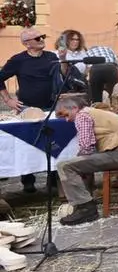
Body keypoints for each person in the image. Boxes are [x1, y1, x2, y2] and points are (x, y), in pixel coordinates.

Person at [55, 98, 118, 225]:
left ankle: (86, 208)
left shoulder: (82, 115)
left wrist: (78, 161)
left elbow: (87, 147)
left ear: (74, 108)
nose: (67, 120)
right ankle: (85, 201)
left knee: (64, 166)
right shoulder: (93, 111)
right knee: (77, 163)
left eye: (66, 115)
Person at [0, 28, 67, 193]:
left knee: (52, 141)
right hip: (27, 107)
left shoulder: (51, 57)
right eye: (37, 38)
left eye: (42, 37)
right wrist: (8, 99)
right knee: (28, 142)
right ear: (27, 44)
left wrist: (64, 59)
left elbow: (64, 74)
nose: (42, 39)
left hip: (50, 106)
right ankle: (28, 180)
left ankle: (53, 178)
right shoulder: (18, 60)